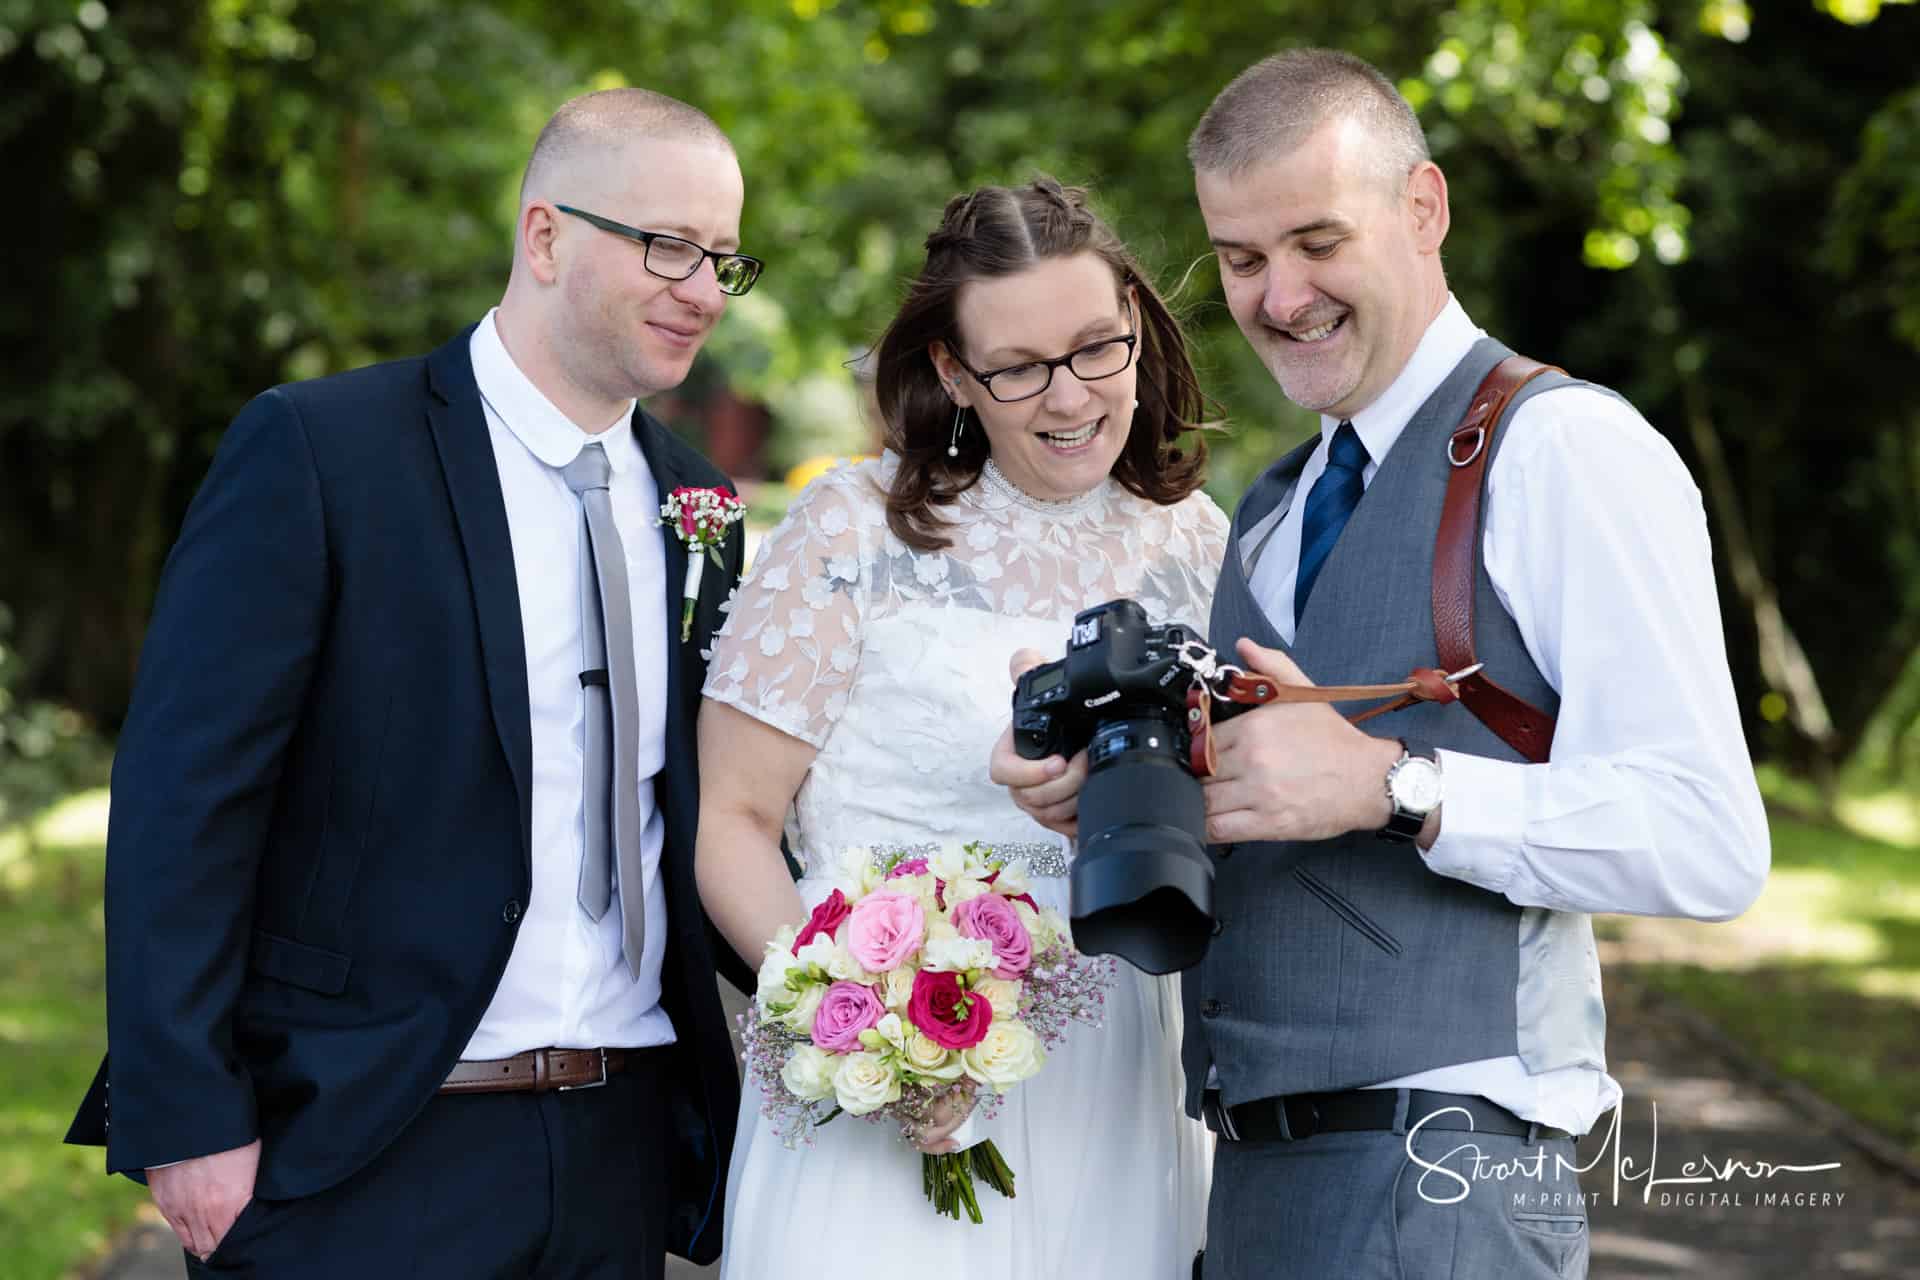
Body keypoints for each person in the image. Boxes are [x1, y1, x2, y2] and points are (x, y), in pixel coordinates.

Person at [995, 49, 1770, 1280]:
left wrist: (1396, 787)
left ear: (1424, 209)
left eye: (1316, 242)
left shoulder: (1565, 449)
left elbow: (1709, 835)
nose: (1280, 296)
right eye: (1242, 260)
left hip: (1446, 1177)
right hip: (1251, 1177)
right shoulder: (1273, 505)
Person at [65, 88, 756, 1278]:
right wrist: (187, 1113)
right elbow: (187, 800)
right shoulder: (323, 451)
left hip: (615, 1146)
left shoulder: (701, 507)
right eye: (668, 245)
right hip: (357, 1146)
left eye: (723, 259)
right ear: (543, 235)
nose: (702, 287)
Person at [696, 177, 1222, 1278]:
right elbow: (734, 821)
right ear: (952, 371)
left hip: (1117, 1079)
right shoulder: (849, 527)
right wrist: (851, 1020)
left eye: (1096, 349)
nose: (1069, 395)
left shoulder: (1200, 545)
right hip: (876, 1086)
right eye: (1019, 367)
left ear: (1138, 325)